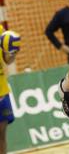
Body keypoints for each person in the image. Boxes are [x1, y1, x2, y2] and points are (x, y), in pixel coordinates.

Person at [0, 25, 20, 154]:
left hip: (2, 90)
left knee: (1, 135)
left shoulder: (0, 29)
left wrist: (12, 51)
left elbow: (7, 60)